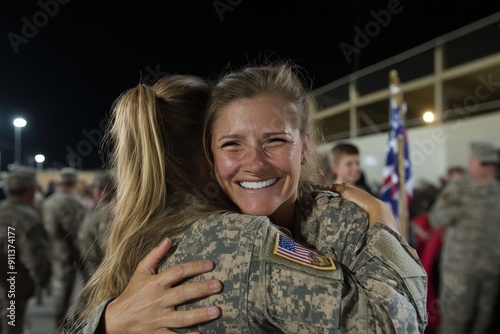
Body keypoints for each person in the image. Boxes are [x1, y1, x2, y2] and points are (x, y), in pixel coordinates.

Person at [69, 64, 426, 333]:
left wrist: (105, 322)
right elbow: (391, 325)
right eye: (231, 144)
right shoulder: (239, 239)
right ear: (206, 154)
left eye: (275, 140)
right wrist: (385, 226)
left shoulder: (146, 234)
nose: (254, 163)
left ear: (305, 146)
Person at [429, 141, 500, 334]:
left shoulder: (497, 190)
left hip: (491, 268)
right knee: (455, 320)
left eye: (491, 164)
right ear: (471, 161)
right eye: (483, 163)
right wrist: (459, 212)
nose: (488, 168)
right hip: (460, 270)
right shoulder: (458, 188)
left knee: (484, 319)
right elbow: (436, 218)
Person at [0, 166, 52, 334]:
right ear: (31, 190)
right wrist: (42, 280)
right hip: (13, 286)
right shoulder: (28, 218)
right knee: (12, 326)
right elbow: (35, 258)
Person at [42, 167, 87, 331]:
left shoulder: (49, 200)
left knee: (60, 285)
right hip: (71, 249)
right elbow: (75, 228)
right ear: (74, 183)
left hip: (54, 247)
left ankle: (58, 323)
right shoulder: (71, 201)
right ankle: (65, 324)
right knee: (76, 286)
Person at [77, 170, 116, 283]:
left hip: (99, 270)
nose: (99, 192)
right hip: (89, 265)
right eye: (96, 188)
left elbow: (107, 245)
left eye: (104, 188)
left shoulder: (107, 211)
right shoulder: (93, 207)